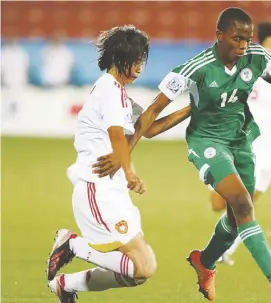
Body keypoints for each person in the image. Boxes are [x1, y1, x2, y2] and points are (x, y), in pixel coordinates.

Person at [93, 7, 271, 303]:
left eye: (247, 38)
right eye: (237, 38)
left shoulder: (258, 56)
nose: (243, 45)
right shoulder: (195, 68)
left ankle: (205, 262)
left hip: (241, 142)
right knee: (242, 204)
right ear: (219, 36)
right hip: (206, 142)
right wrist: (123, 155)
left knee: (236, 217)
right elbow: (151, 113)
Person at [45, 25, 157, 303]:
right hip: (98, 188)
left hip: (111, 190)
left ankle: (65, 284)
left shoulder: (115, 91)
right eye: (137, 60)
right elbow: (117, 135)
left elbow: (149, 128)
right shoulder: (110, 91)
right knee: (141, 267)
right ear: (122, 58)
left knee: (143, 270)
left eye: (143, 60)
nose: (141, 67)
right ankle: (72, 244)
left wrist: (194, 108)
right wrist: (130, 172)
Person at [209, 18, 271, 266]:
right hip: (233, 146)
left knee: (245, 205)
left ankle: (223, 251)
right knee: (218, 203)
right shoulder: (244, 70)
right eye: (270, 46)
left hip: (263, 155)